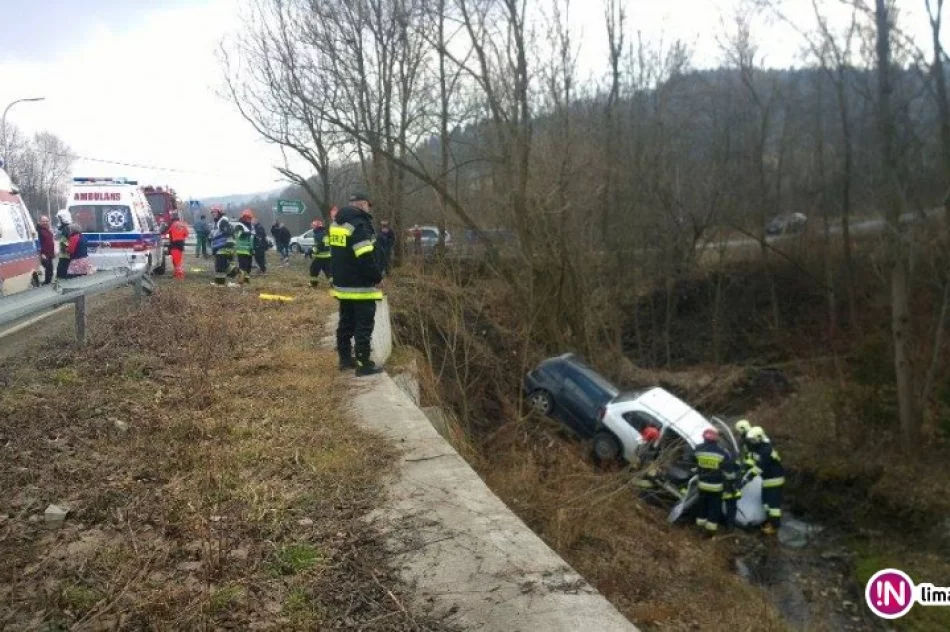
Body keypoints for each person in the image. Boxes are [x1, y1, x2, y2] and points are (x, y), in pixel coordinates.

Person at [330, 193, 384, 376]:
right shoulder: (359, 223)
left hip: (343, 285)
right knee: (364, 325)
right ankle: (364, 364)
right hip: (360, 285)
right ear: (362, 204)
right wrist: (377, 276)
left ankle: (345, 359)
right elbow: (364, 255)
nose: (369, 209)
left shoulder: (336, 223)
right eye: (368, 205)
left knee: (346, 322)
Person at [746, 426, 785, 535]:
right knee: (766, 502)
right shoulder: (759, 447)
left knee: (773, 505)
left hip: (774, 480)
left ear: (759, 437)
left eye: (753, 440)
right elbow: (753, 458)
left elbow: (760, 467)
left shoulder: (766, 450)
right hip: (768, 479)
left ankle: (775, 526)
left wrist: (748, 478)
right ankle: (770, 521)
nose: (752, 442)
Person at [694, 427, 731, 535]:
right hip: (716, 487)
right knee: (714, 508)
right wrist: (731, 482)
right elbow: (728, 471)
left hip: (702, 485)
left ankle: (699, 527)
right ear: (716, 439)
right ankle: (710, 531)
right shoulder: (721, 453)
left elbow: (694, 461)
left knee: (702, 506)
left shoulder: (698, 449)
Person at [209, 206, 238, 287]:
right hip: (220, 246)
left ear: (219, 213)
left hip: (225, 245)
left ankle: (238, 273)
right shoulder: (217, 222)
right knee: (220, 265)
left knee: (222, 264)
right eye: (213, 212)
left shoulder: (223, 220)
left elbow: (228, 231)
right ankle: (220, 283)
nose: (214, 214)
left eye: (215, 212)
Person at [233, 209, 255, 284]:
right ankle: (240, 281)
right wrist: (246, 233)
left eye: (249, 217)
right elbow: (238, 235)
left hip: (249, 250)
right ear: (243, 217)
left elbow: (252, 238)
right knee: (243, 266)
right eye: (247, 217)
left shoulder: (250, 226)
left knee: (248, 266)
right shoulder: (239, 225)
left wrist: (252, 248)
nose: (248, 219)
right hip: (241, 249)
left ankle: (246, 280)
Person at [166, 212, 189, 280]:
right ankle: (176, 274)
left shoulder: (172, 225)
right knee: (177, 260)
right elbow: (186, 234)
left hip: (174, 244)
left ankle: (180, 275)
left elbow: (165, 232)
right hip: (180, 244)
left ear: (172, 219)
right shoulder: (183, 225)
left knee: (176, 261)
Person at [309, 218, 332, 288]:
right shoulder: (325, 233)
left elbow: (318, 246)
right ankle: (334, 285)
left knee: (313, 269)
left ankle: (313, 284)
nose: (312, 227)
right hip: (328, 256)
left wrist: (311, 250)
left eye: (313, 226)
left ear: (316, 227)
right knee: (329, 272)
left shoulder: (318, 234)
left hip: (320, 257)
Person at [36, 215, 55, 285]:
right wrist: (42, 253)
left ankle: (48, 284)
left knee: (50, 271)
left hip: (49, 254)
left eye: (47, 221)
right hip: (44, 254)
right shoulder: (39, 230)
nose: (45, 223)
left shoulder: (47, 229)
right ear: (40, 222)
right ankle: (45, 285)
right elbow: (39, 243)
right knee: (47, 271)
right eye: (43, 221)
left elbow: (50, 241)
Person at [55, 210, 72, 280]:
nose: (59, 221)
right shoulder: (65, 228)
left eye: (60, 219)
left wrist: (65, 246)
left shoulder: (66, 229)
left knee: (61, 274)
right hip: (64, 255)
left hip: (65, 256)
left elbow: (67, 242)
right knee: (60, 273)